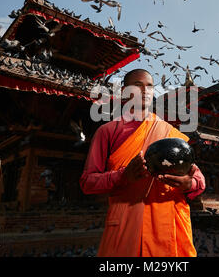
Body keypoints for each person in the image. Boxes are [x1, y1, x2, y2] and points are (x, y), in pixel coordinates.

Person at [80, 69, 205, 257]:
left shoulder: (169, 132)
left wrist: (190, 184)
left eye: (149, 86)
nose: (145, 90)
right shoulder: (107, 132)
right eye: (137, 85)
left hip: (169, 225)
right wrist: (123, 176)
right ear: (124, 92)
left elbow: (197, 177)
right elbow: (87, 183)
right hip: (127, 223)